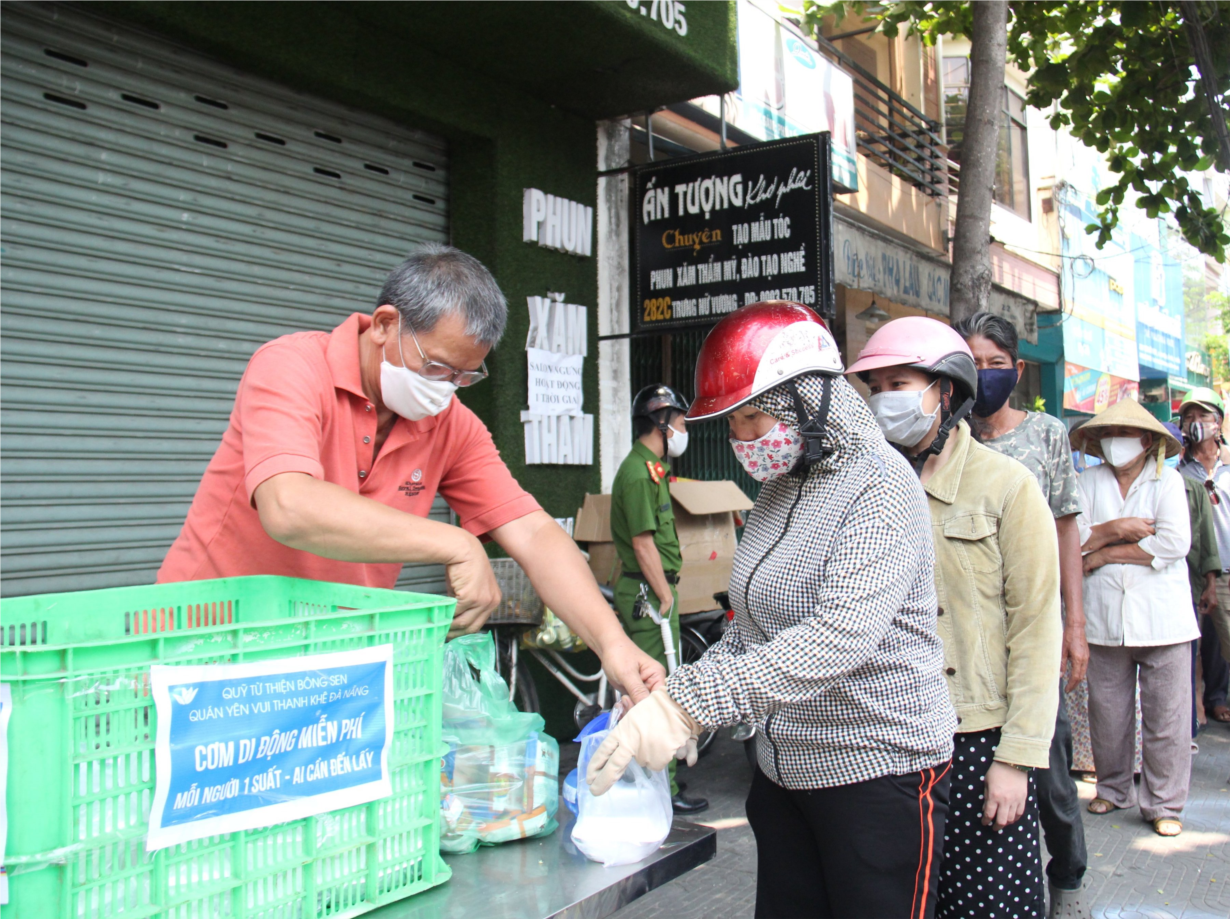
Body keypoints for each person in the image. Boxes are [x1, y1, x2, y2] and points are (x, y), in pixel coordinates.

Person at [158, 244, 664, 702]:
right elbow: (288, 506)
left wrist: (613, 645)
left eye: (466, 376)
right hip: (208, 645)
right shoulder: (290, 367)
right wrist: (456, 544)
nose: (447, 389)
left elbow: (533, 532)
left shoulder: (450, 425)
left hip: (328, 662)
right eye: (437, 368)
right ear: (383, 325)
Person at [588, 302, 956, 919]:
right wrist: (677, 694)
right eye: (732, 426)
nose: (741, 442)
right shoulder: (780, 489)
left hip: (877, 777)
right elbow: (753, 628)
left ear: (808, 400)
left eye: (754, 420)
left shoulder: (881, 484)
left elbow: (840, 636)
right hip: (785, 777)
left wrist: (690, 706)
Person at [849, 316, 1061, 919]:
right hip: (889, 748)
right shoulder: (865, 490)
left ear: (944, 391)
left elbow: (1038, 628)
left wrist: (1017, 761)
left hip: (978, 743)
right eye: (877, 386)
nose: (887, 398)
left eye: (901, 382)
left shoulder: (1008, 487)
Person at [952, 311, 1090, 916]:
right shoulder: (944, 438)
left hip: (1036, 634)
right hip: (968, 648)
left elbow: (1066, 533)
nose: (984, 375)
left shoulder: (1046, 436)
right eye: (973, 363)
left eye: (996, 364)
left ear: (1018, 369)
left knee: (1053, 776)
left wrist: (1076, 627)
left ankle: (1069, 885)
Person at [1070, 400, 1195, 836]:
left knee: (1168, 717)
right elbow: (1076, 539)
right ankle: (1112, 788)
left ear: (1146, 441)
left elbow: (1173, 543)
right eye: (1109, 433)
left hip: (1164, 619)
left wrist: (1103, 552)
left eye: (1125, 434)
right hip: (1104, 616)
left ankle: (1164, 804)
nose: (1115, 442)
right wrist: (1120, 528)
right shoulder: (1086, 481)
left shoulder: (1169, 482)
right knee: (1107, 712)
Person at [609, 384, 708, 815]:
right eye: (681, 421)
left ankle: (660, 780)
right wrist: (664, 593)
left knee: (666, 681)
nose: (684, 429)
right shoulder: (636, 473)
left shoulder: (652, 469)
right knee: (655, 691)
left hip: (658, 590)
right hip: (650, 593)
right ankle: (660, 789)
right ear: (662, 423)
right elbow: (643, 543)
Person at [1175, 388, 1230, 724]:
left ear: (1218, 422)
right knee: (1191, 642)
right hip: (1190, 570)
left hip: (1227, 566)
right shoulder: (1178, 469)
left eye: (1203, 417)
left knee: (1223, 643)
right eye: (1189, 417)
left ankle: (1219, 696)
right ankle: (1197, 706)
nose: (1196, 424)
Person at [1165, 421, 1222, 741]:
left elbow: (1205, 540)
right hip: (1156, 590)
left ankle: (1186, 729)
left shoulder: (1194, 489)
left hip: (1188, 586)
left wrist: (1211, 583)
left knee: (1186, 659)